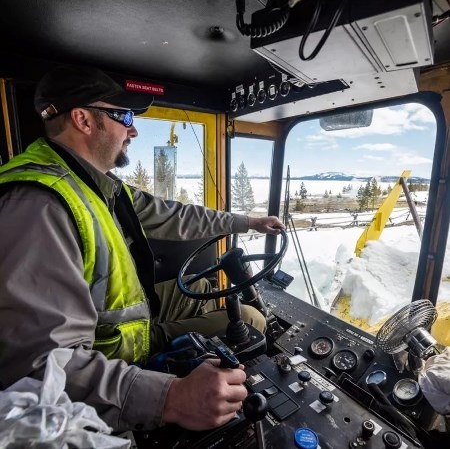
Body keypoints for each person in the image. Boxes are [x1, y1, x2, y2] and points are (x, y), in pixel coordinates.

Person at [0, 65, 284, 432]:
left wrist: (246, 222)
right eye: (123, 116)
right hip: (114, 351)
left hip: (122, 321)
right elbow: (41, 370)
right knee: (250, 318)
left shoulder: (95, 185)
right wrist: (171, 396)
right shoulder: (39, 207)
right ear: (83, 120)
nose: (132, 129)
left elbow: (176, 215)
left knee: (202, 287)